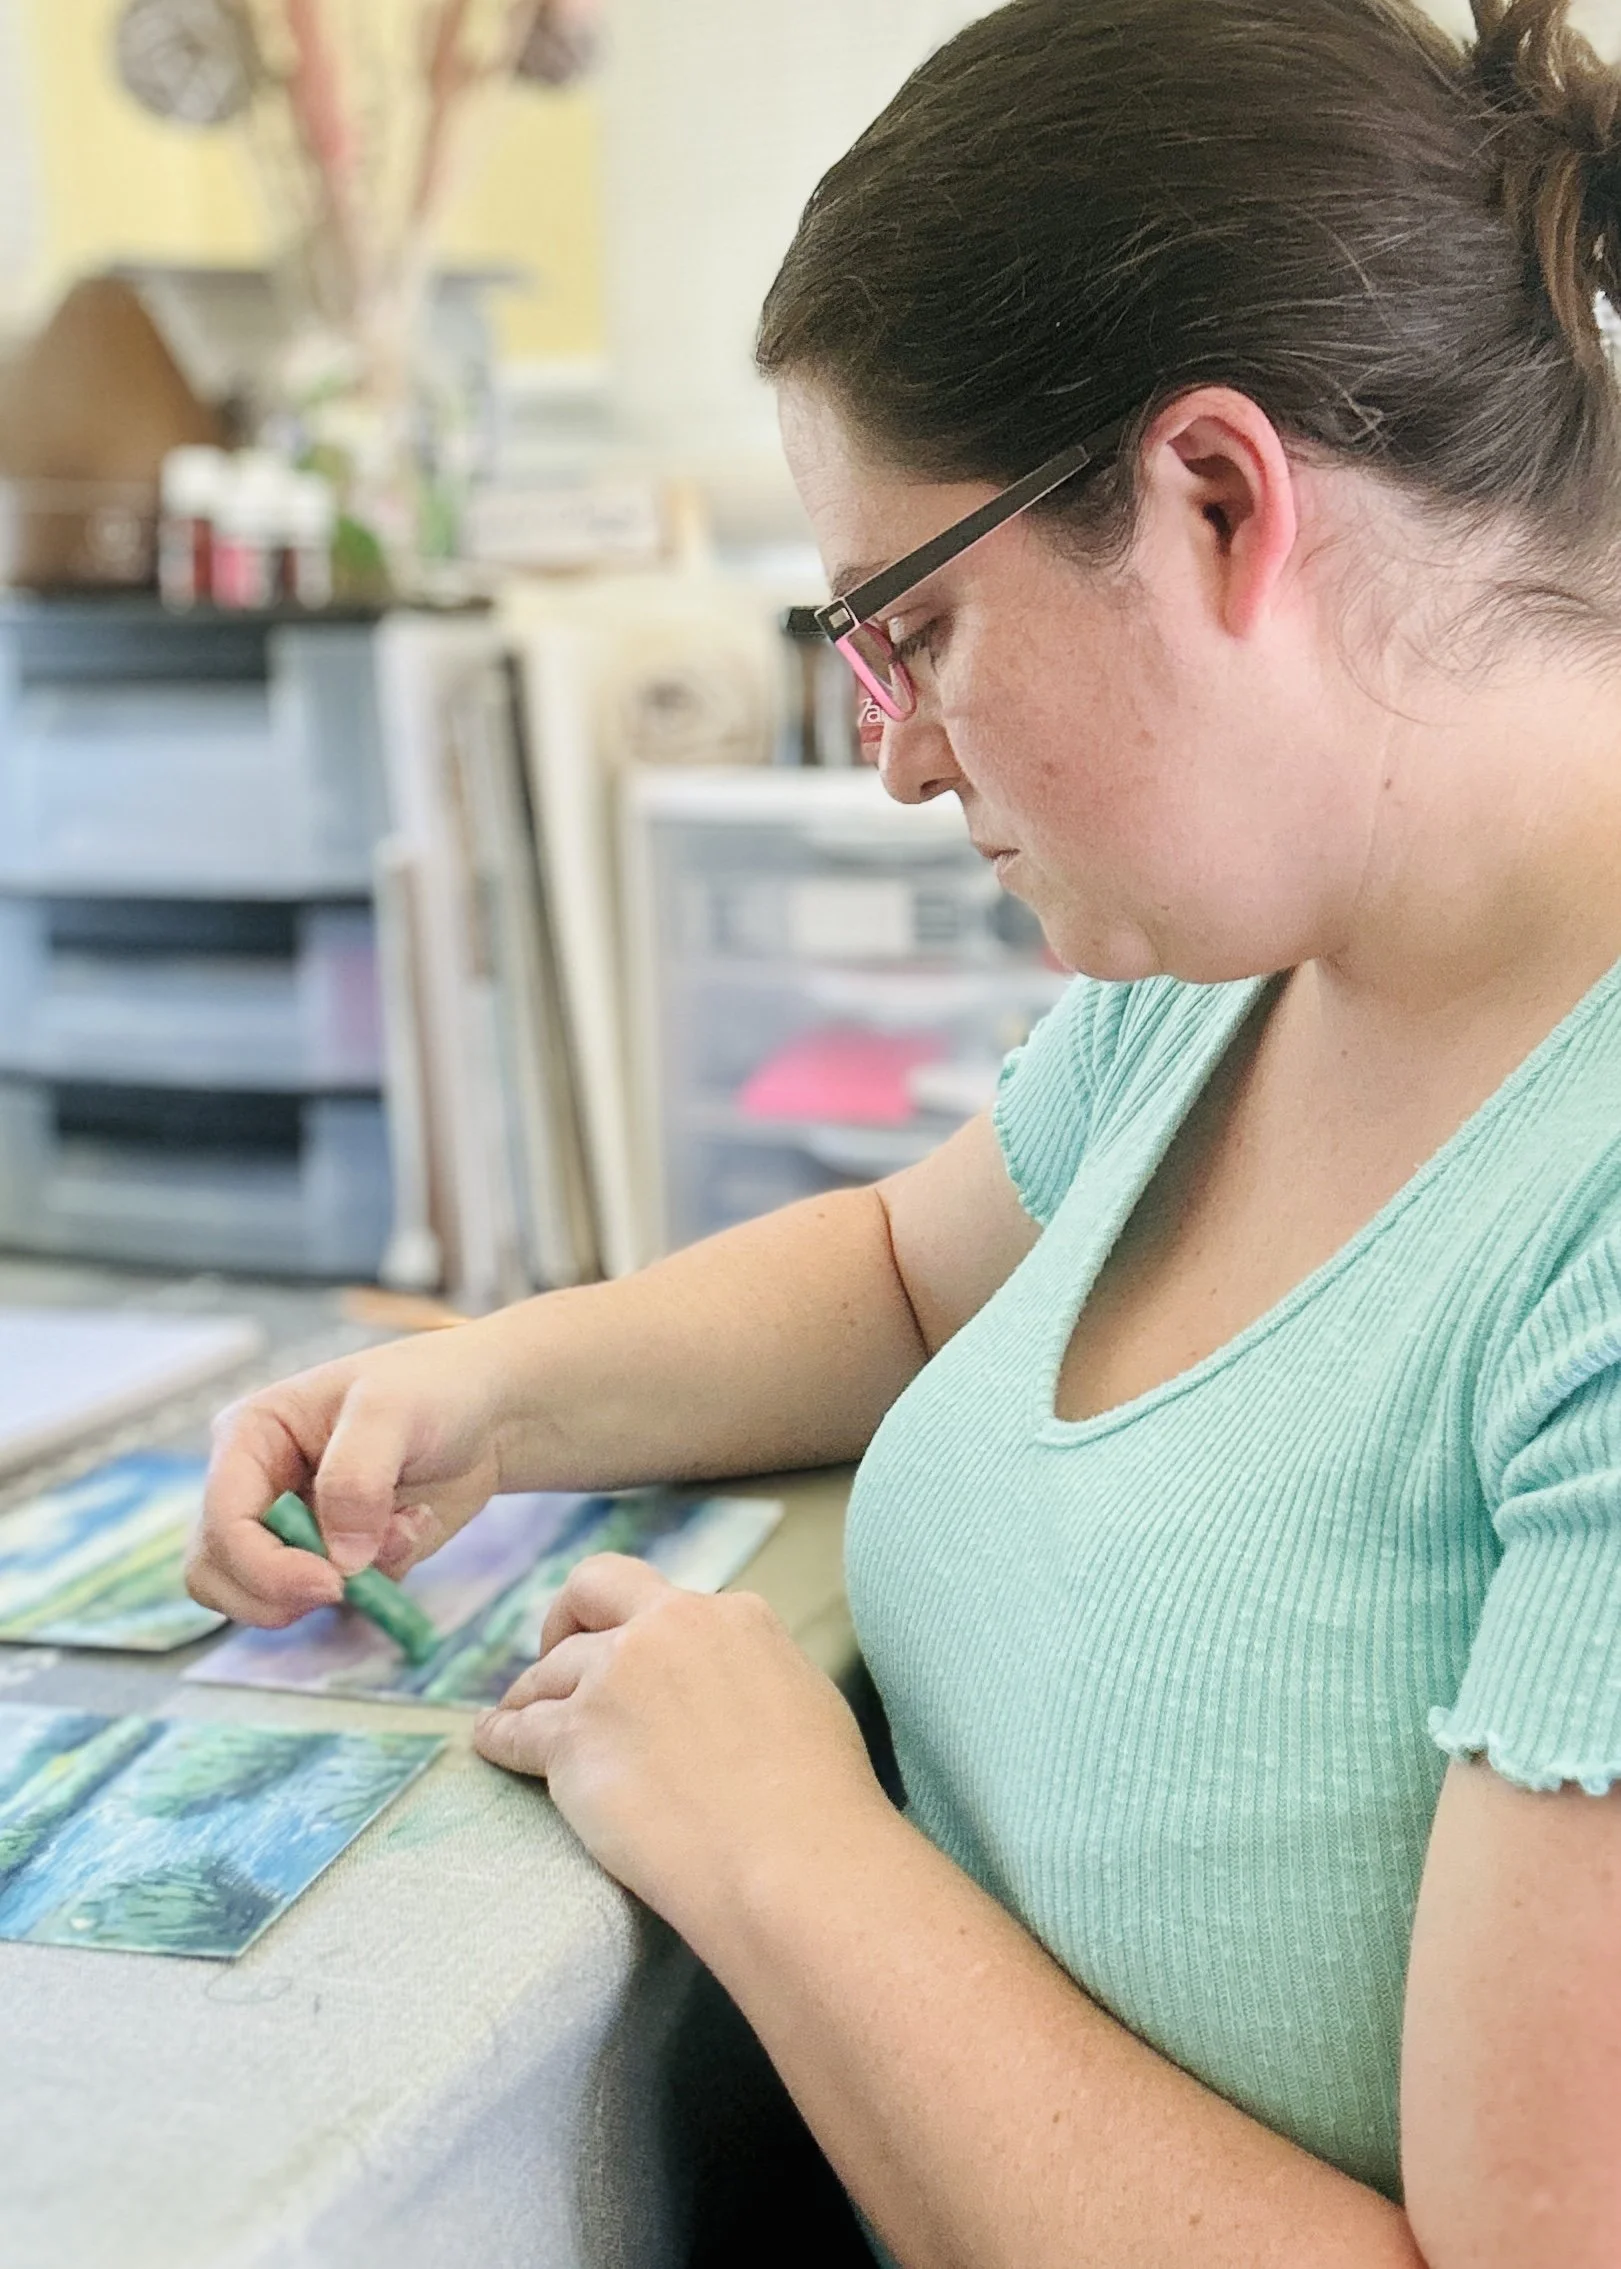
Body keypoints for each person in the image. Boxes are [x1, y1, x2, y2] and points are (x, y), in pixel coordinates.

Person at [191, 0, 1621, 2257]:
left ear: (1219, 500)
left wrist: (791, 1848)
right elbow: (900, 1273)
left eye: (915, 629)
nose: (898, 759)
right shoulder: (1254, 962)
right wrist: (481, 1384)